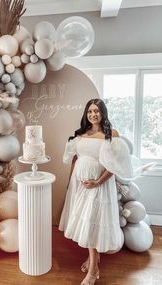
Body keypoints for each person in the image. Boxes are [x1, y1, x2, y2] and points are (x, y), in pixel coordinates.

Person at [59, 98, 133, 285]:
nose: (93, 114)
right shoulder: (82, 134)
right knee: (87, 223)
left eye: (97, 111)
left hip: (99, 186)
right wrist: (70, 182)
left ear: (103, 113)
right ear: (86, 114)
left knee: (93, 221)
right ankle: (95, 259)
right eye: (90, 111)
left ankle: (93, 270)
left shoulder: (111, 135)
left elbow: (114, 166)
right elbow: (76, 160)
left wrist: (98, 182)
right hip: (80, 185)